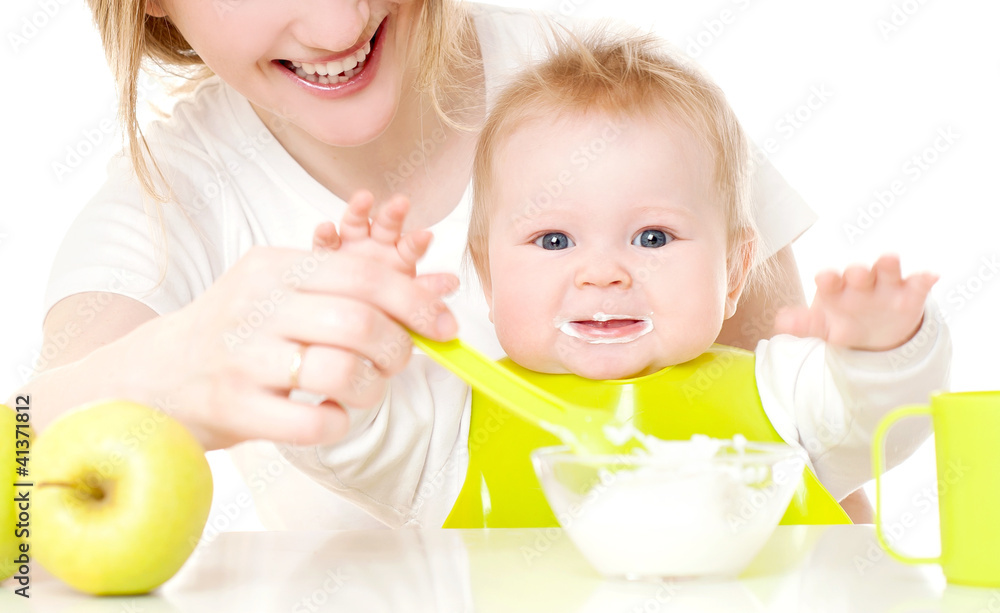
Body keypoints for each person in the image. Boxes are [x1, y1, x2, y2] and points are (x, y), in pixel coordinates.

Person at [9, 1, 843, 528]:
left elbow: (819, 478)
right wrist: (173, 372)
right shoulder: (169, 201)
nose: (338, 26)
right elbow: (16, 505)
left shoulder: (624, 94)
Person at [290, 27, 951, 529]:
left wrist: (883, 345)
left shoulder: (782, 392)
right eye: (554, 240)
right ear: (488, 276)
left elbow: (880, 414)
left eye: (652, 237)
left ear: (733, 269)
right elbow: (341, 433)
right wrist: (350, 333)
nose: (602, 273)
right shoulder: (451, 424)